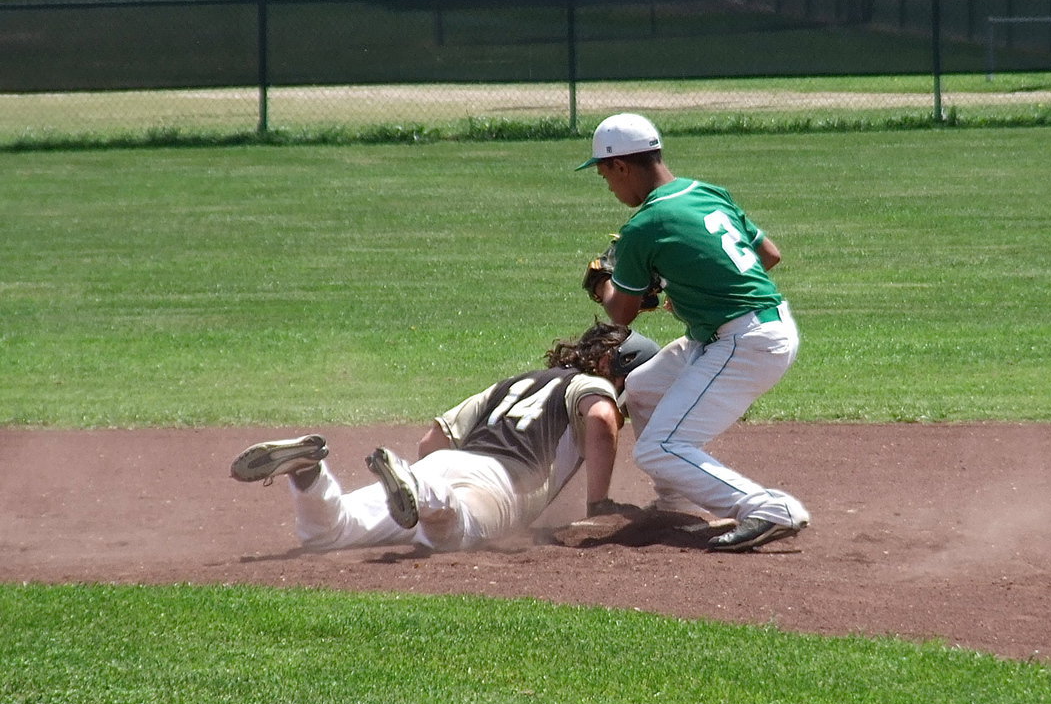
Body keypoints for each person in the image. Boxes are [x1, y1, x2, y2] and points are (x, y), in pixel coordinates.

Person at [577, 112, 810, 552]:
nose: (607, 185)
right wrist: (691, 286)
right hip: (752, 326)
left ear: (622, 166)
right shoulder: (706, 193)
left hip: (746, 342)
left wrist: (603, 282)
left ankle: (765, 507)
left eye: (605, 174)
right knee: (644, 387)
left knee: (658, 447)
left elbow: (621, 314)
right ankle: (675, 499)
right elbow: (769, 256)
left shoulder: (644, 226)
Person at [229, 322, 659, 553]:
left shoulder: (511, 383)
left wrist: (425, 474)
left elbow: (432, 440)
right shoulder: (594, 385)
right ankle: (421, 490)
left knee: (330, 533)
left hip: (442, 464)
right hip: (496, 484)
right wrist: (598, 505)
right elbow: (602, 418)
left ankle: (309, 473)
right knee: (450, 534)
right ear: (609, 363)